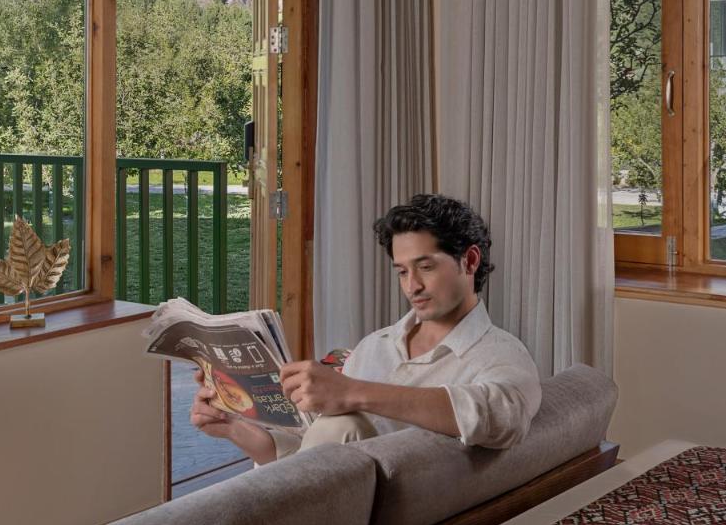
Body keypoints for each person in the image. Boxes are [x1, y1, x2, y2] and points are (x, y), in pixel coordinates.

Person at [189, 193, 542, 465]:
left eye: (426, 267)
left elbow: (500, 417)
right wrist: (233, 428)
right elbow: (308, 456)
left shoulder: (501, 354)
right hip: (330, 501)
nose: (412, 286)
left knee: (343, 426)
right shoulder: (376, 346)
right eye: (402, 271)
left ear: (470, 260)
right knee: (332, 429)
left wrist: (351, 392)